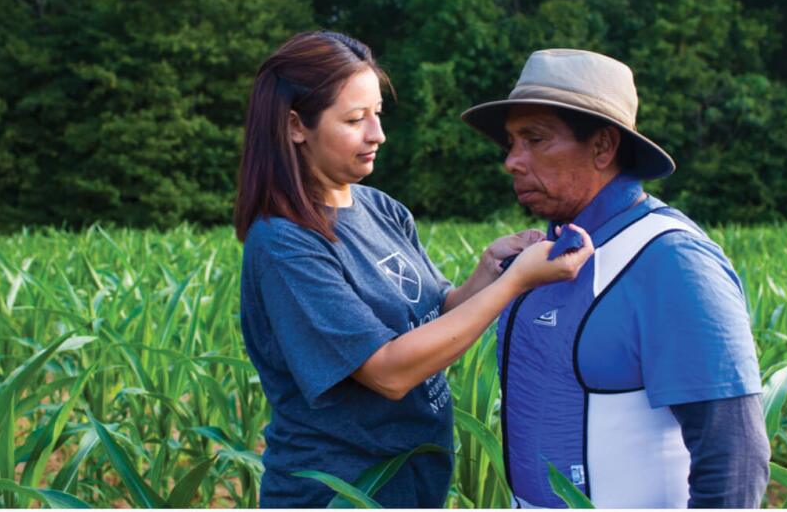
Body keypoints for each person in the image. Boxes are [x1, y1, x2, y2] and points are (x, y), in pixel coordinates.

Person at [234, 31, 594, 508]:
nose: (377, 134)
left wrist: (488, 270)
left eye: (377, 114)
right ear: (296, 126)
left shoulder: (381, 209)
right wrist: (515, 283)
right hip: (341, 493)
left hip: (412, 485)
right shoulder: (286, 243)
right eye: (355, 119)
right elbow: (388, 372)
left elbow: (436, 314)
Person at [461, 49, 771, 508]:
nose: (512, 161)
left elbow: (736, 457)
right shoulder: (544, 254)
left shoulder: (670, 260)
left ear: (604, 147)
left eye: (536, 139)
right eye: (511, 142)